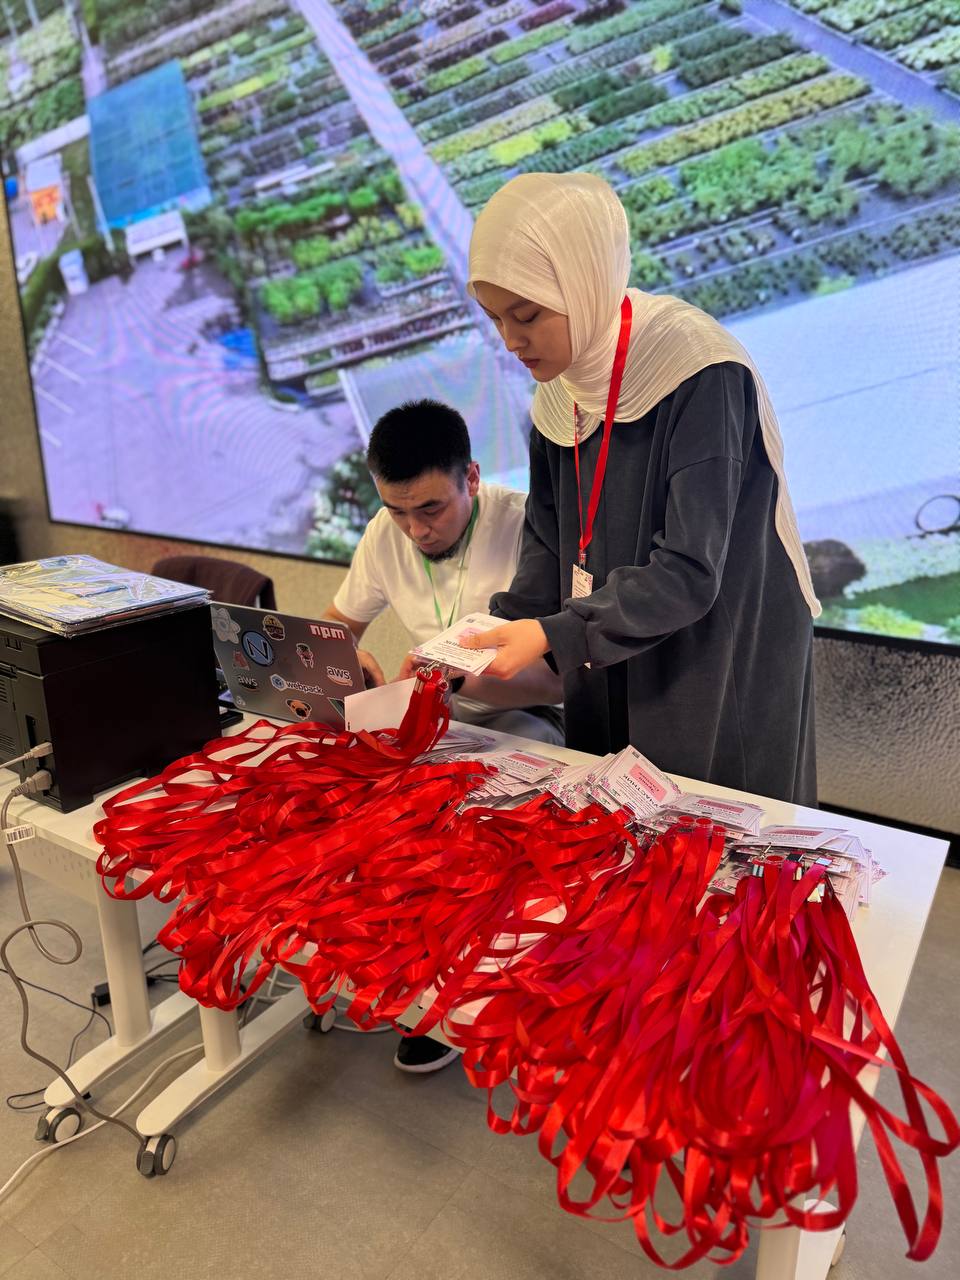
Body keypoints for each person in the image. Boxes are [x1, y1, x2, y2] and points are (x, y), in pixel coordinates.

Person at [462, 172, 820, 805]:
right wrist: (480, 642)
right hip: (608, 635)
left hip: (714, 646)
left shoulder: (698, 367)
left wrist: (554, 634)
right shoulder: (561, 388)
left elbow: (690, 570)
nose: (512, 341)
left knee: (706, 829)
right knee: (610, 812)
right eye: (495, 319)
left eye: (527, 315)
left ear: (585, 281)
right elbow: (546, 547)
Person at [323, 399, 564, 1072]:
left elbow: (562, 682)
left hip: (528, 719)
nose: (415, 529)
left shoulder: (529, 526)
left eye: (431, 509)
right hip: (437, 718)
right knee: (352, 795)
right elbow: (335, 628)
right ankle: (393, 967)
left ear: (472, 478)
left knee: (464, 822)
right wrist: (346, 664)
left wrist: (465, 678)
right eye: (397, 511)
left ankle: (461, 992)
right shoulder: (387, 532)